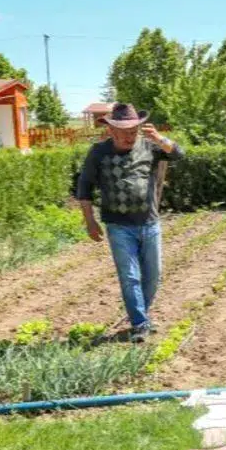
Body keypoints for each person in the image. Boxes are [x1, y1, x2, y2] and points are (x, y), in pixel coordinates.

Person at [74, 103, 185, 343]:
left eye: (134, 131)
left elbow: (178, 154)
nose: (129, 136)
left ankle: (140, 316)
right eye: (124, 132)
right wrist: (90, 221)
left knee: (153, 275)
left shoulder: (150, 147)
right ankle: (140, 323)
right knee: (130, 276)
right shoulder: (98, 152)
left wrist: (158, 137)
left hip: (149, 222)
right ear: (111, 130)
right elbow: (84, 187)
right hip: (118, 226)